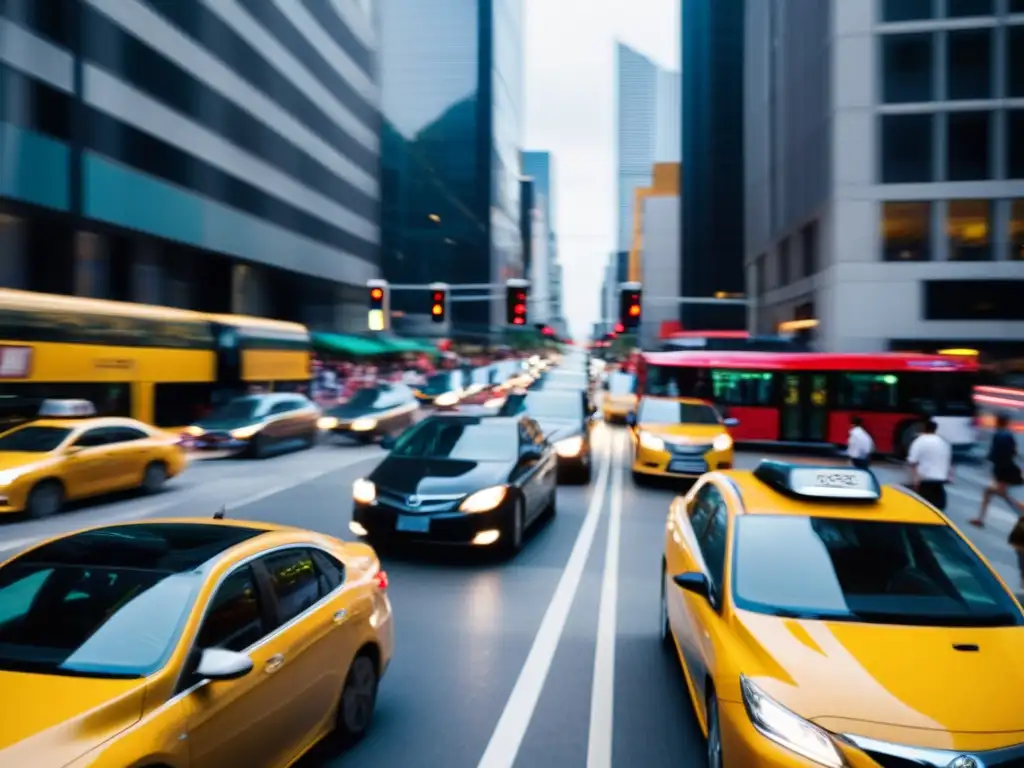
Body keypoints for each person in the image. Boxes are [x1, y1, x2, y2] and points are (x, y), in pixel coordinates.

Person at [969, 412, 1024, 528]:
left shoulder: (998, 435)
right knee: (995, 493)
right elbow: (1014, 452)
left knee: (999, 494)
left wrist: (986, 460)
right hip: (1009, 469)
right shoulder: (1009, 435)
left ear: (998, 422)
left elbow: (994, 454)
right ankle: (980, 519)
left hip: (1002, 471)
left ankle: (980, 519)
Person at [906, 419, 952, 510]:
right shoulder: (943, 442)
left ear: (924, 428)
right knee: (938, 508)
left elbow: (912, 462)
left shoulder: (919, 441)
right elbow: (948, 460)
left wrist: (915, 479)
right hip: (940, 480)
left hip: (925, 480)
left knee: (923, 507)